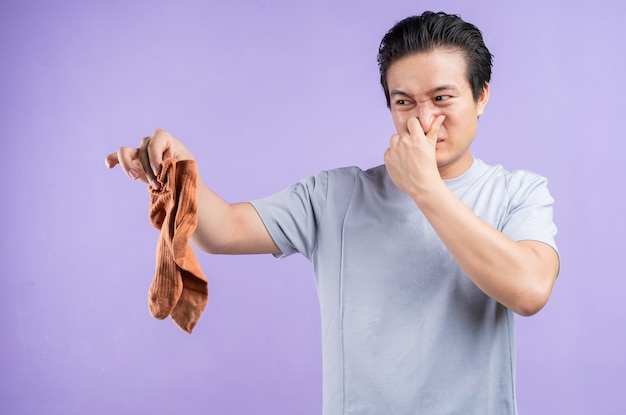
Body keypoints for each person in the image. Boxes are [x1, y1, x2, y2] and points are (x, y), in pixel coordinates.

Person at [105, 11, 559, 415]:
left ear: (481, 97)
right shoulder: (336, 194)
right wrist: (179, 171)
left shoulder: (518, 193)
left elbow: (529, 290)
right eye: (404, 102)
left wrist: (424, 188)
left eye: (442, 98)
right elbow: (224, 230)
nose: (422, 120)